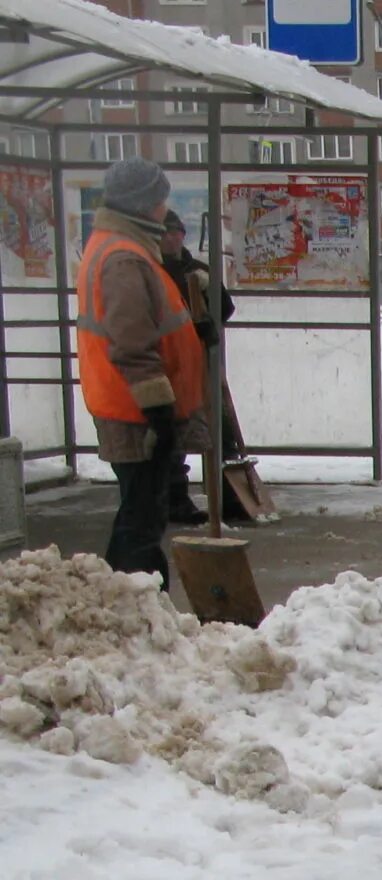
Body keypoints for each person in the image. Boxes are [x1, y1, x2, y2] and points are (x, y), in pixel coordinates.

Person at [77, 156, 204, 586]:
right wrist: (159, 412)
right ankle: (138, 598)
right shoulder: (123, 258)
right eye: (159, 198)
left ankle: (120, 598)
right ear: (143, 203)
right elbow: (132, 344)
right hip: (135, 412)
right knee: (143, 519)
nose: (164, 208)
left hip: (129, 406)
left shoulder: (125, 247)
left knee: (141, 512)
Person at [158, 209, 249, 524]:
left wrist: (209, 291)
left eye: (176, 232)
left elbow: (224, 310)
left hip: (202, 364)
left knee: (219, 432)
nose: (170, 238)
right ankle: (174, 500)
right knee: (174, 433)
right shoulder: (151, 273)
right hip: (168, 366)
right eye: (164, 232)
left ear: (183, 235)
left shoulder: (196, 270)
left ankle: (230, 495)